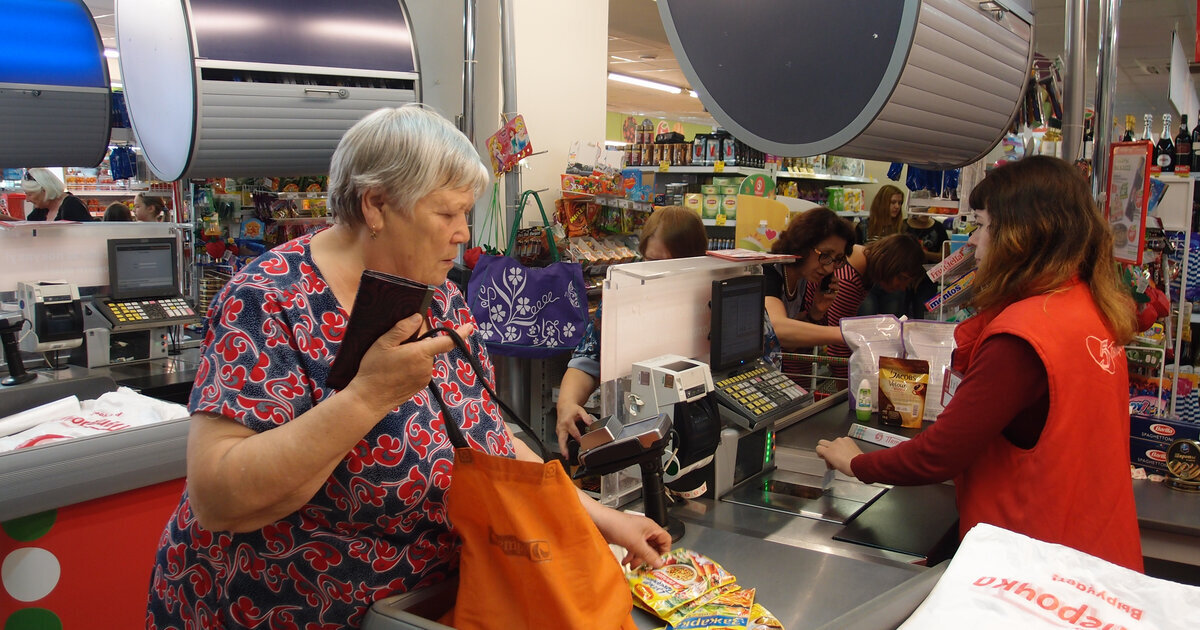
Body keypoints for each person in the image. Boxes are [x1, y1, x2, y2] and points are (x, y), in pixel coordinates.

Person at [147, 105, 670, 629]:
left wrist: (603, 517)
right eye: (448, 214)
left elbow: (487, 439)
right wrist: (366, 397)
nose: (464, 234)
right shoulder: (269, 299)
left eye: (467, 213)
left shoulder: (439, 295)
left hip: (413, 609)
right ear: (375, 204)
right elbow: (216, 496)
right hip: (274, 608)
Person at [816, 156, 1143, 572]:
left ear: (1021, 234)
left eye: (984, 224)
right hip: (1092, 556)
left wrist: (856, 463)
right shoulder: (1085, 306)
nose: (973, 241)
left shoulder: (1024, 336)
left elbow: (940, 454)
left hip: (1036, 570)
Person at [555, 205, 782, 454]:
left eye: (671, 263)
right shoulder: (623, 300)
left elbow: (766, 367)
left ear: (695, 259)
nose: (658, 272)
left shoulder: (725, 294)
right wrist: (567, 403)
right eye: (651, 261)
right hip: (640, 442)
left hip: (717, 442)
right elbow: (588, 361)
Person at [804, 233, 931, 381]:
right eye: (902, 278)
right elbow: (839, 346)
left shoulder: (864, 268)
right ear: (889, 265)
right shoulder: (849, 278)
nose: (902, 287)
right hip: (798, 342)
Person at [763, 207, 855, 351]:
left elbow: (790, 343)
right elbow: (776, 328)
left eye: (837, 259)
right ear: (803, 244)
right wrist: (849, 334)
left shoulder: (802, 278)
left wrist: (815, 312)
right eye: (825, 255)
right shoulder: (768, 271)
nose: (830, 268)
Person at [21, 168, 93, 221]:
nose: (27, 200)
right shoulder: (40, 211)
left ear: (45, 191)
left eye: (30, 194)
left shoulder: (72, 206)